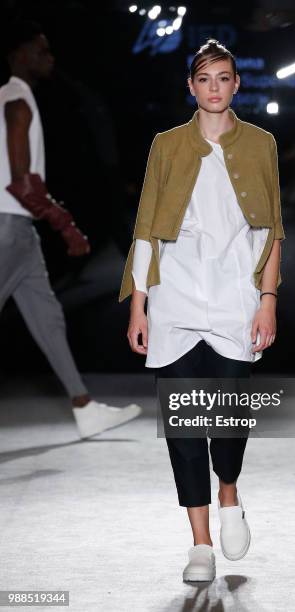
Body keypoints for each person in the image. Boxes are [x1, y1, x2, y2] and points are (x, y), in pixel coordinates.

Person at [120, 39, 285, 581]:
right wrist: (140, 304)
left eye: (224, 78)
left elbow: (272, 231)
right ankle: (199, 544)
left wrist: (268, 301)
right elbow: (146, 227)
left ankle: (230, 494)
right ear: (190, 87)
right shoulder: (166, 146)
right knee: (185, 428)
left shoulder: (262, 145)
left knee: (229, 421)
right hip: (176, 300)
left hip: (237, 299)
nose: (214, 87)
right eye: (204, 78)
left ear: (237, 85)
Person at [0, 20, 141, 438]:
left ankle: (84, 406)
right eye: (42, 51)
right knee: (47, 318)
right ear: (21, 55)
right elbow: (22, 179)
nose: (51, 59)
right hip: (9, 226)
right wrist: (65, 224)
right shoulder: (17, 100)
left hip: (18, 229)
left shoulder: (11, 97)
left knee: (48, 319)